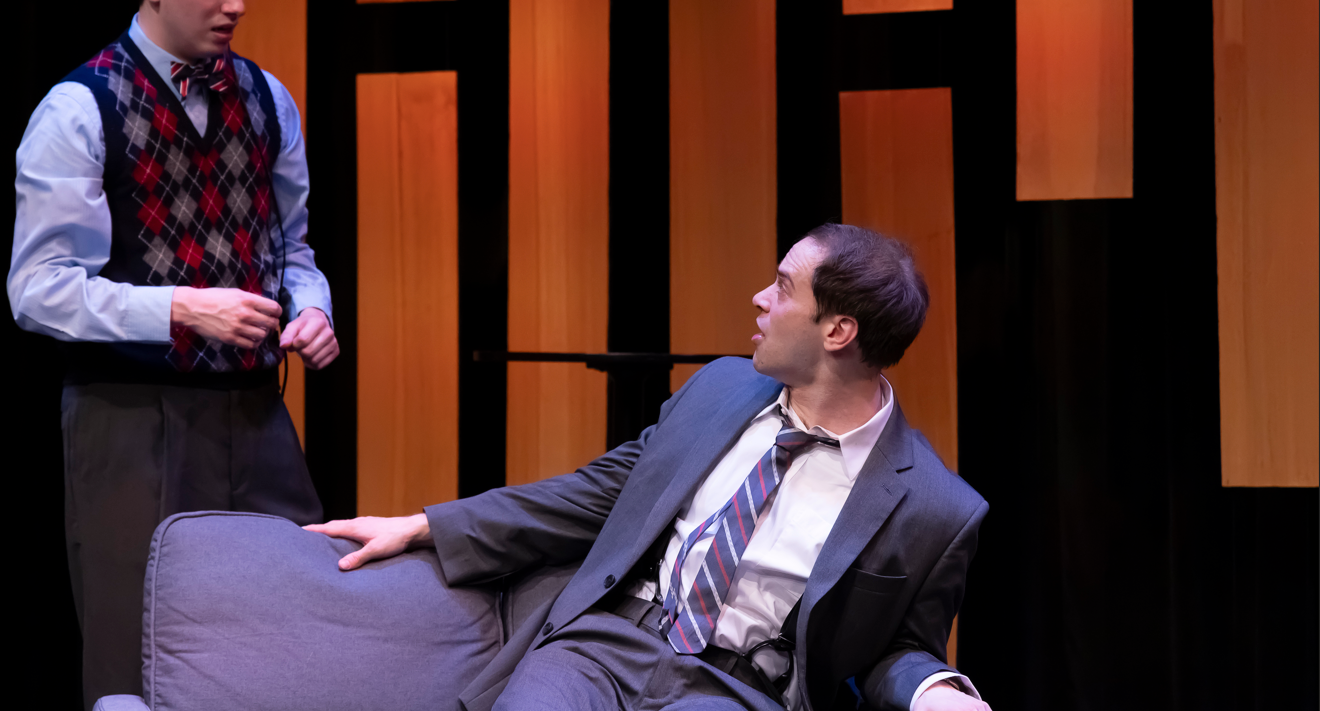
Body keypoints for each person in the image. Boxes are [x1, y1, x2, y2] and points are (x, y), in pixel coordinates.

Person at [310, 224, 990, 711]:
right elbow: (597, 493)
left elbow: (898, 649)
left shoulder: (936, 508)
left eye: (783, 288)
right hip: (605, 646)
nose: (760, 298)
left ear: (837, 331)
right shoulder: (721, 388)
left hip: (736, 689)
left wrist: (938, 691)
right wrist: (425, 525)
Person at [7, 0, 339, 707]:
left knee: (296, 636)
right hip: (130, 419)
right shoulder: (79, 109)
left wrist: (311, 309)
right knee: (140, 656)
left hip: (254, 414)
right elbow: (38, 290)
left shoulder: (268, 98)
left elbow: (293, 250)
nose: (236, 5)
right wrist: (184, 308)